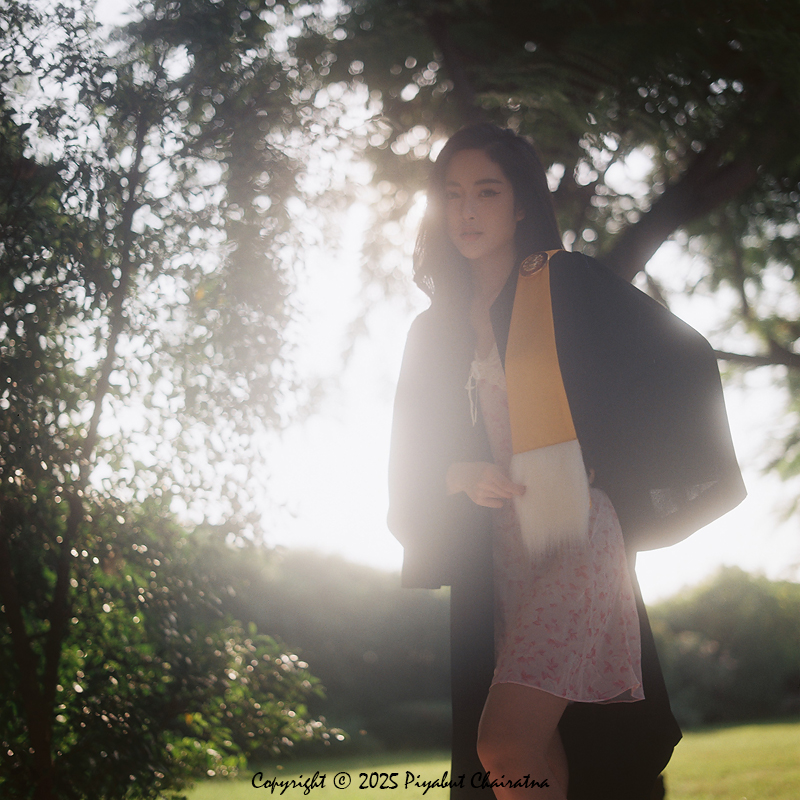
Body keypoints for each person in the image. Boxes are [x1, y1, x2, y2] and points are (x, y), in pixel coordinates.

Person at [388, 123, 745, 800]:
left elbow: (682, 359)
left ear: (521, 203)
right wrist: (458, 474)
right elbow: (414, 452)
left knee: (503, 743)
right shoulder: (432, 330)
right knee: (532, 755)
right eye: (452, 194)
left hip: (576, 540)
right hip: (494, 556)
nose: (466, 211)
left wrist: (611, 465)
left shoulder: (564, 283)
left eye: (486, 192)